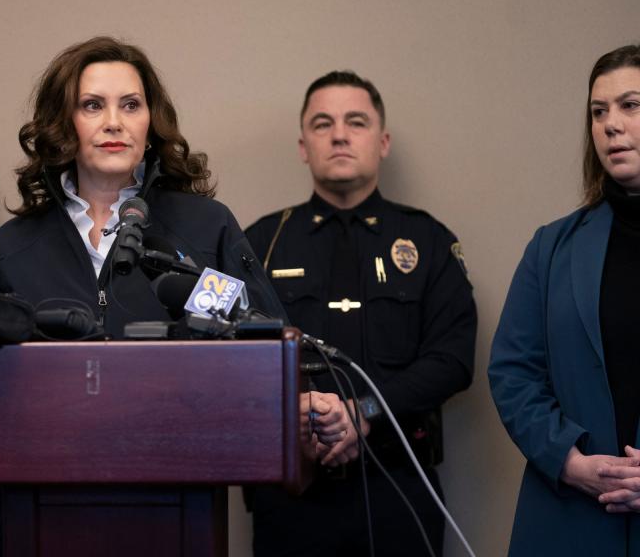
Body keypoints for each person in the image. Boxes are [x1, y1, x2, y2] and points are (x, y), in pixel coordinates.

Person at [0, 36, 354, 555]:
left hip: (177, 507)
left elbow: (265, 339)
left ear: (150, 123)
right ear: (64, 124)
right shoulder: (15, 245)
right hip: (42, 510)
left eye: (130, 105)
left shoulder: (204, 227)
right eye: (93, 105)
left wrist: (309, 399)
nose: (114, 122)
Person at [244, 70, 477, 556]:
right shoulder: (261, 243)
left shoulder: (427, 240)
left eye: (356, 121)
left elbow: (453, 359)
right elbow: (232, 359)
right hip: (291, 498)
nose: (340, 135)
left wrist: (365, 411)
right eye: (322, 123)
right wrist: (299, 417)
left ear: (383, 140)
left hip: (398, 489)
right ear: (304, 144)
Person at [488, 44, 640, 555]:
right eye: (598, 112)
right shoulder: (552, 247)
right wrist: (570, 462)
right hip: (569, 516)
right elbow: (513, 371)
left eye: (630, 106)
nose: (611, 125)